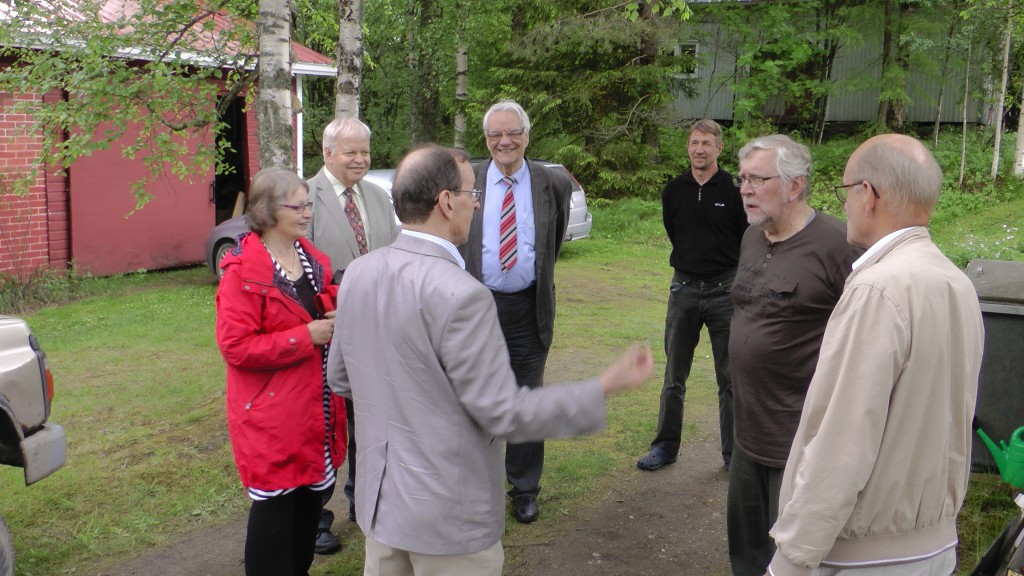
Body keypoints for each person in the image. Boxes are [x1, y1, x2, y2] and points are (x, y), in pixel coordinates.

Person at [326, 145, 654, 576]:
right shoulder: (463, 295)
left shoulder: (360, 274)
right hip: (447, 517)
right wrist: (603, 387)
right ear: (446, 202)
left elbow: (341, 377)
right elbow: (505, 414)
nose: (476, 202)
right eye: (470, 192)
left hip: (381, 505)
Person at [767, 134, 985, 576]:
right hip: (936, 548)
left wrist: (789, 562)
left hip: (864, 557)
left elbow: (842, 442)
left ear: (868, 195)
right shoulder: (956, 283)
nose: (843, 204)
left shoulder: (877, 289)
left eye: (845, 191)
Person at [726, 135, 863, 576]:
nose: (745, 189)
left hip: (800, 445)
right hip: (747, 437)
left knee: (796, 561)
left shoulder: (839, 247)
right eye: (742, 178)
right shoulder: (751, 237)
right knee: (746, 557)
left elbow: (868, 337)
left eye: (758, 179)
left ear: (794, 186)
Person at [215, 168, 346, 576]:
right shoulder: (243, 274)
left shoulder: (311, 261)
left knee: (308, 514)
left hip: (315, 413)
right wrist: (305, 336)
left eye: (308, 204)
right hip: (272, 419)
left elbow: (320, 302)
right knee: (274, 523)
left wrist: (337, 309)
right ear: (267, 210)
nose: (308, 212)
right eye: (298, 205)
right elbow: (236, 348)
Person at [458, 100, 574, 524]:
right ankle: (476, 486)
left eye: (512, 133)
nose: (504, 141)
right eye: (495, 134)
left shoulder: (552, 182)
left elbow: (553, 242)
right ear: (485, 139)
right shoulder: (466, 180)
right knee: (474, 398)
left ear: (527, 135)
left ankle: (524, 488)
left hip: (528, 307)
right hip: (477, 307)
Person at [306, 116, 399, 554]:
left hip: (378, 336)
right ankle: (317, 517)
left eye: (365, 151)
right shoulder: (304, 197)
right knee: (324, 428)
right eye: (351, 152)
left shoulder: (380, 199)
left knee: (370, 426)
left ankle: (363, 507)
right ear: (327, 154)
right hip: (326, 339)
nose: (360, 159)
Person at [637, 119, 748, 473]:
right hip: (683, 290)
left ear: (719, 148)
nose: (699, 149)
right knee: (674, 376)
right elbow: (675, 231)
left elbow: (746, 238)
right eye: (694, 142)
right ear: (688, 147)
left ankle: (734, 456)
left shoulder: (734, 191)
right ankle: (665, 447)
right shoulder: (674, 191)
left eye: (707, 143)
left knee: (730, 377)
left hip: (724, 292)